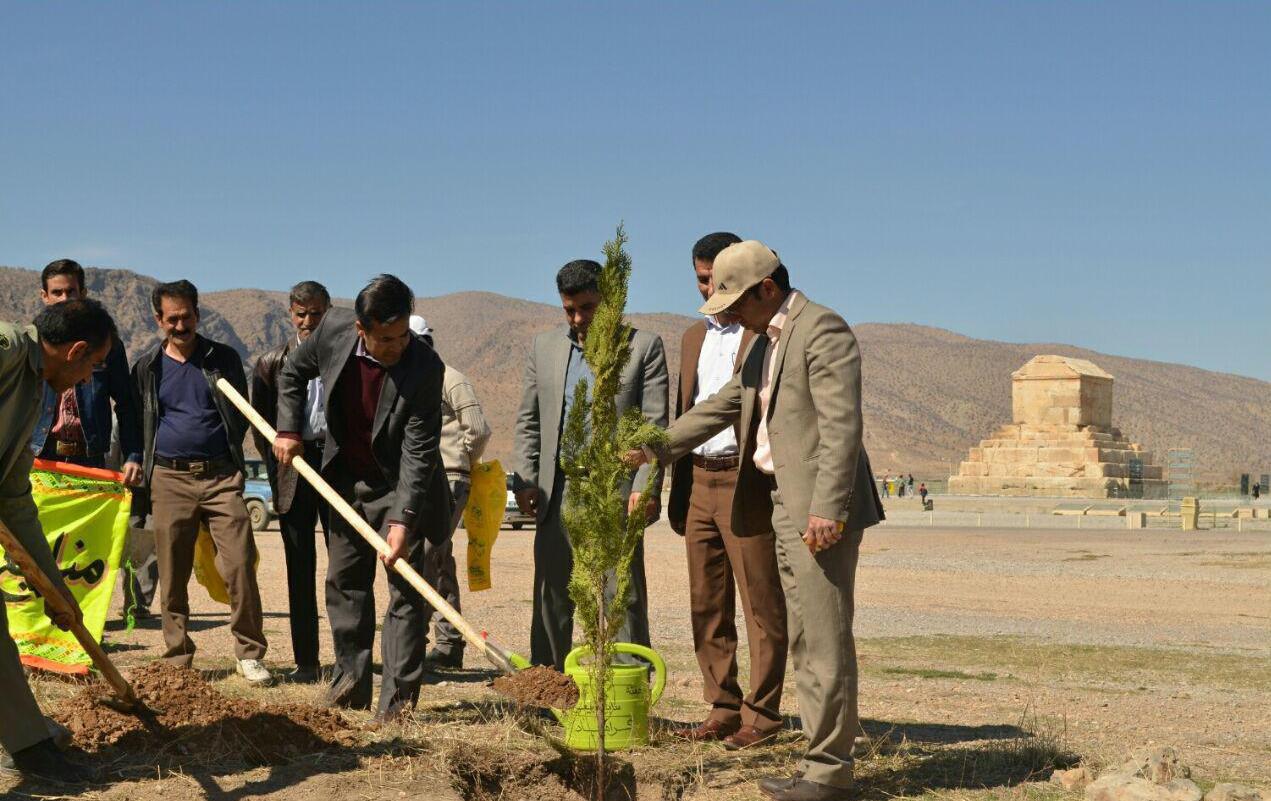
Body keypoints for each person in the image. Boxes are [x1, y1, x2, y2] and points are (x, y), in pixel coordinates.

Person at [627, 240, 884, 801]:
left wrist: (827, 508)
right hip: (783, 505)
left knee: (823, 639)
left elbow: (843, 429)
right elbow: (723, 405)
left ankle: (829, 775)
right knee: (806, 640)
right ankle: (821, 767)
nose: (729, 314)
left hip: (818, 512)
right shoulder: (765, 341)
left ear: (768, 289)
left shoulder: (823, 330)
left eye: (736, 301)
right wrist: (654, 447)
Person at [273, 274, 448, 723]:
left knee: (407, 595)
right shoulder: (330, 331)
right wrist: (290, 429)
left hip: (404, 487)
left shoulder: (426, 368)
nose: (397, 345)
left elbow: (419, 452)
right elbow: (292, 370)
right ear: (360, 329)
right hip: (345, 482)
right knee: (345, 585)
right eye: (386, 338)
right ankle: (349, 685)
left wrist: (402, 522)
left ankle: (396, 708)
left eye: (404, 334)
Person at [510, 259, 669, 670]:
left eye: (588, 307)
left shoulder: (644, 348)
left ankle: (628, 694)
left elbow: (654, 427)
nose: (579, 318)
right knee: (551, 594)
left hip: (616, 493)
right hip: (556, 489)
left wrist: (645, 486)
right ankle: (548, 690)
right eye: (569, 309)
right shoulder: (543, 348)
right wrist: (525, 481)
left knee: (622, 596)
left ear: (610, 300)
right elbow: (529, 420)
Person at [667, 232, 788, 750]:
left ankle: (761, 713)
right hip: (697, 477)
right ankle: (721, 704)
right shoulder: (692, 337)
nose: (708, 291)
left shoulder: (761, 332)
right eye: (701, 280)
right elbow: (688, 409)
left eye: (717, 281)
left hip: (745, 481)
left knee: (760, 600)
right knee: (706, 600)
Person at [1, 299, 119, 783]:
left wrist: (55, 588)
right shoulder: (8, 347)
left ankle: (30, 744)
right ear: (75, 351)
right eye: (92, 365)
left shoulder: (33, 392)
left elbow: (14, 499)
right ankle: (31, 748)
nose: (89, 378)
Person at [131, 280, 271, 685]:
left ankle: (249, 653)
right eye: (171, 318)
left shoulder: (221, 357)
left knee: (240, 563)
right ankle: (178, 656)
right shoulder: (147, 367)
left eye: (186, 316)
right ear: (159, 320)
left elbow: (240, 411)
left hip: (220, 477)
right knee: (172, 571)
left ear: (198, 314)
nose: (180, 325)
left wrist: (235, 466)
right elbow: (141, 421)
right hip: (169, 478)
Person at [26, 260, 153, 619]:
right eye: (57, 293)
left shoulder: (106, 346)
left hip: (88, 458)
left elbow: (126, 404)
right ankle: (31, 623)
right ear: (43, 296)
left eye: (72, 291)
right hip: (38, 455)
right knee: (36, 539)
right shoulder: (28, 344)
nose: (65, 298)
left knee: (84, 546)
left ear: (84, 294)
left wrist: (132, 455)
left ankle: (86, 622)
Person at [251, 280, 333, 684]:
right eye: (301, 314)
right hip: (293, 469)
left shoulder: (344, 359)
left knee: (345, 569)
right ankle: (307, 663)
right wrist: (280, 459)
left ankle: (350, 659)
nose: (308, 321)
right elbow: (261, 423)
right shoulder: (271, 362)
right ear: (290, 314)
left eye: (316, 313)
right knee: (300, 568)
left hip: (336, 467)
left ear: (328, 312)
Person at [409, 316, 492, 670]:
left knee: (429, 557)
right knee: (437, 559)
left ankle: (413, 643)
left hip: (449, 478)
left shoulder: (450, 378)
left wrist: (460, 464)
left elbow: (478, 429)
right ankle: (449, 644)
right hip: (417, 479)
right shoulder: (406, 380)